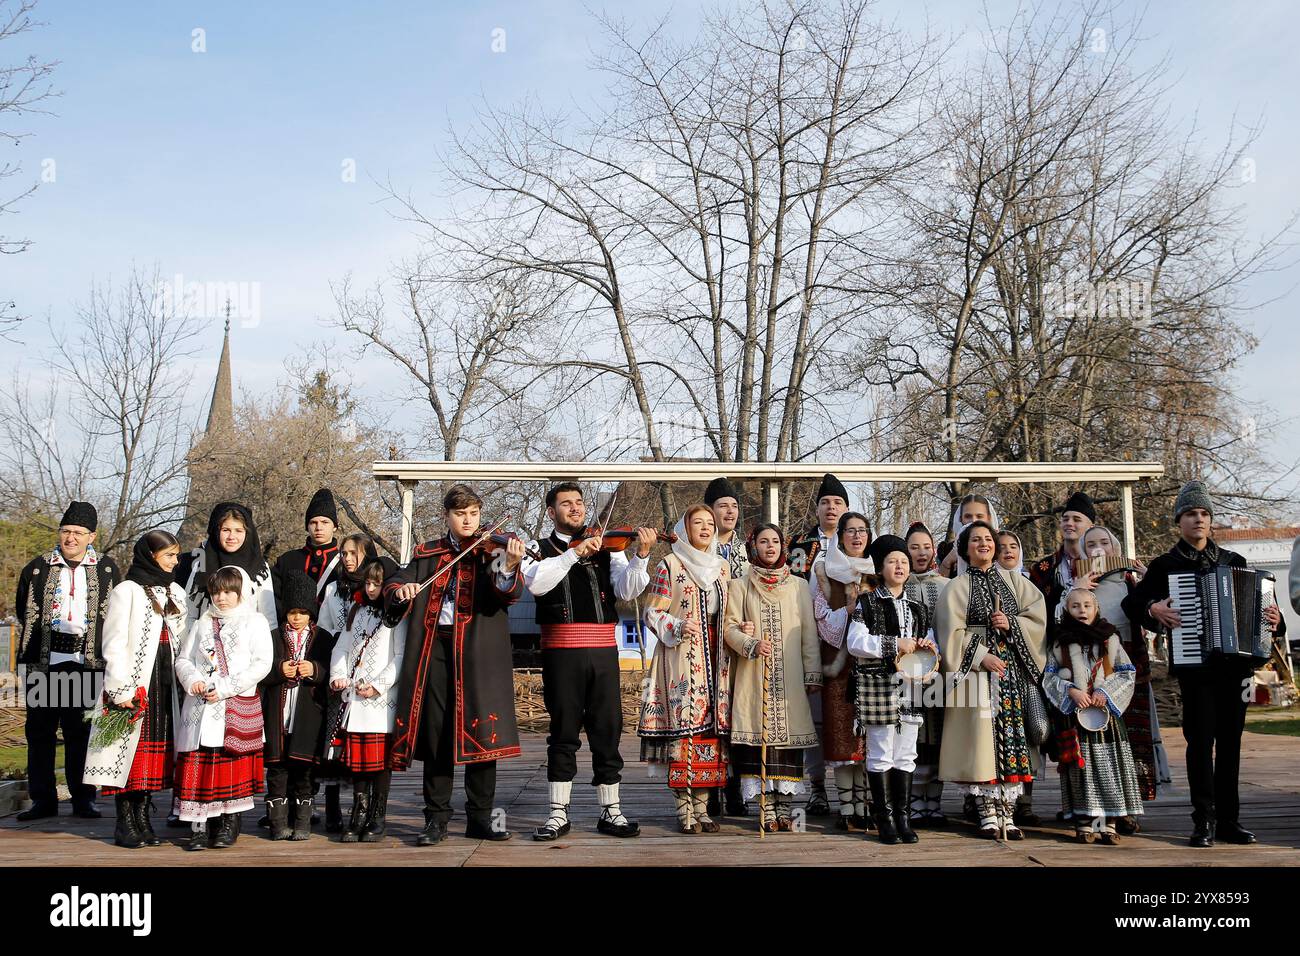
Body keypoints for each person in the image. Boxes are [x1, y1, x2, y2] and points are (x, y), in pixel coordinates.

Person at [1122, 480, 1284, 847]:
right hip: (1197, 669)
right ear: (1179, 521)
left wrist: (1276, 619)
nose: (1198, 519)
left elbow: (1267, 616)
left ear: (1211, 521)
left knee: (1230, 744)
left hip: (1236, 668)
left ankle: (1229, 821)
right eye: (1191, 513)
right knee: (1199, 744)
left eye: (1204, 514)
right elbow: (1132, 604)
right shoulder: (1166, 566)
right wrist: (1153, 608)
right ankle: (1203, 821)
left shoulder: (1235, 562)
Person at [384, 484, 525, 846]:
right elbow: (397, 579)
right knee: (437, 735)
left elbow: (505, 590)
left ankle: (482, 819)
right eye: (461, 514)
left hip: (478, 652)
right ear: (447, 516)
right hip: (435, 649)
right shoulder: (429, 552)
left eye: (474, 513)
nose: (468, 520)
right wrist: (401, 590)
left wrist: (509, 565)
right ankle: (436, 820)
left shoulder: (490, 551)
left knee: (483, 734)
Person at [522, 482, 651, 840]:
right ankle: (557, 814)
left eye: (579, 503)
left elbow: (626, 591)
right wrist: (574, 554)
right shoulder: (538, 549)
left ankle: (611, 812)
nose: (576, 509)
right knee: (563, 732)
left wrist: (640, 555)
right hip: (561, 652)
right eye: (567, 504)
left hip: (603, 652)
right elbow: (537, 584)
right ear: (552, 512)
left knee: (607, 730)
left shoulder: (607, 546)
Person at [937, 520, 1047, 839]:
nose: (983, 544)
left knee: (1012, 738)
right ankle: (986, 812)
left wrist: (1012, 622)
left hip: (1010, 672)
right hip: (974, 676)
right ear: (965, 548)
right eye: (976, 540)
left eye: (988, 539)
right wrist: (979, 655)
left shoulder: (1014, 581)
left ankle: (1008, 813)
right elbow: (949, 632)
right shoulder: (955, 588)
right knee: (980, 741)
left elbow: (1037, 616)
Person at [15, 501, 121, 821]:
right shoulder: (38, 567)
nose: (70, 538)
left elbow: (114, 616)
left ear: (92, 536)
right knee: (41, 733)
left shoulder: (106, 569)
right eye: (65, 531)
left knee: (81, 733)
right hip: (44, 663)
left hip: (86, 663)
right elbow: (25, 611)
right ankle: (43, 800)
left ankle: (83, 799)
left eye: (77, 533)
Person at [83, 531, 188, 848]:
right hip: (134, 682)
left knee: (150, 756)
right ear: (150, 555)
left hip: (165, 681)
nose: (175, 561)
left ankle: (142, 818)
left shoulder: (176, 592)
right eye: (169, 555)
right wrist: (120, 688)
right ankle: (123, 822)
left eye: (176, 555)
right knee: (126, 754)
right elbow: (113, 642)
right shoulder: (126, 591)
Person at [638, 504, 733, 833]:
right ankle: (683, 809)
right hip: (681, 657)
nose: (706, 529)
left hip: (716, 660)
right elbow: (651, 612)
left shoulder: (723, 568)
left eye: (710, 523)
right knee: (685, 734)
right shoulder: (670, 564)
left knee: (709, 735)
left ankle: (703, 809)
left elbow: (729, 612)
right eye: (698, 523)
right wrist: (677, 626)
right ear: (686, 528)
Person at [724, 523, 822, 832]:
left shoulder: (799, 586)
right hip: (754, 676)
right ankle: (765, 807)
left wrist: (812, 672)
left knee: (789, 740)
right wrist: (750, 643)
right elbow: (729, 628)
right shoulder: (740, 585)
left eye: (775, 541)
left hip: (790, 676)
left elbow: (808, 633)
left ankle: (786, 808)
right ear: (754, 546)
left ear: (783, 546)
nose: (770, 546)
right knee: (759, 738)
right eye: (764, 541)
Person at [845, 535, 938, 844]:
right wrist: (893, 644)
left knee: (907, 753)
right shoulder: (867, 603)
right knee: (882, 751)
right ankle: (883, 819)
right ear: (881, 568)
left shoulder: (918, 608)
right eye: (892, 562)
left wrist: (926, 647)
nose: (899, 566)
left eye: (903, 562)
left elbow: (931, 643)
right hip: (878, 685)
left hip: (911, 687)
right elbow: (854, 642)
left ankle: (903, 818)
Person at [173, 566, 274, 850]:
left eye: (229, 591)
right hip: (200, 707)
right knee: (199, 764)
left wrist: (228, 687)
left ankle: (228, 823)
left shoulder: (254, 622)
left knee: (229, 764)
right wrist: (192, 680)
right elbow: (184, 659)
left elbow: (262, 663)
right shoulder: (203, 622)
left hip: (234, 705)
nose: (222, 598)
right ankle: (198, 826)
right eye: (217, 592)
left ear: (241, 591)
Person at [1076, 525, 1166, 816]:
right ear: (1083, 551)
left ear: (1116, 549)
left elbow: (1151, 619)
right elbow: (1062, 624)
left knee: (1134, 736)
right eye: (1091, 545)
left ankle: (1132, 806)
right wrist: (1077, 589)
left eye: (1105, 543)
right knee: (1101, 734)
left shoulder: (1130, 580)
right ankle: (1102, 802)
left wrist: (1145, 585)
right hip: (1095, 666)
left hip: (1130, 666)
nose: (1099, 549)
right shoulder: (1077, 581)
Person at [1042, 588, 1144, 844]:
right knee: (1081, 771)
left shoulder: (1110, 639)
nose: (1082, 610)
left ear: (1096, 608)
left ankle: (1108, 822)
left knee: (1108, 767)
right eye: (1075, 606)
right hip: (1075, 717)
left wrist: (1105, 692)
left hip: (1105, 717)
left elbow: (1126, 671)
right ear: (1067, 610)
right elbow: (1049, 676)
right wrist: (1071, 691)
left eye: (1087, 605)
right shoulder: (1059, 641)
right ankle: (1085, 822)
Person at [314, 532, 389, 832]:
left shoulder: (381, 594)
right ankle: (335, 810)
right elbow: (328, 628)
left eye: (353, 553)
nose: (346, 558)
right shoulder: (334, 589)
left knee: (367, 749)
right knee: (335, 745)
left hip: (370, 680)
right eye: (343, 553)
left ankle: (372, 811)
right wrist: (334, 673)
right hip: (341, 670)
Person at [788, 473, 850, 816]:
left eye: (837, 502)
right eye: (825, 502)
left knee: (847, 716)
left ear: (846, 509)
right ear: (816, 509)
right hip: (809, 641)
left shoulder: (857, 543)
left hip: (848, 646)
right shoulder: (799, 545)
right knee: (814, 719)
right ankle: (817, 788)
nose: (831, 507)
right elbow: (791, 590)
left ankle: (853, 790)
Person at [330, 559, 404, 843]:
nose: (371, 589)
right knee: (358, 763)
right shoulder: (356, 610)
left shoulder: (397, 615)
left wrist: (378, 686)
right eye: (368, 583)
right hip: (354, 700)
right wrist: (337, 675)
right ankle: (358, 812)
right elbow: (342, 647)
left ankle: (377, 814)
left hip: (380, 702)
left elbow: (400, 656)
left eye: (377, 584)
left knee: (379, 763)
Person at [808, 512, 874, 831]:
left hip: (874, 667)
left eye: (862, 531)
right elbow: (820, 618)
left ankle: (865, 804)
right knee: (842, 737)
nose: (857, 537)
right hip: (839, 665)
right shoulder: (824, 570)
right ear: (840, 536)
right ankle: (846, 805)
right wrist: (847, 610)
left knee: (868, 738)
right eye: (851, 531)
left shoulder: (879, 571)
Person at [260, 570, 330, 841]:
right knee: (278, 768)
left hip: (306, 714)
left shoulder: (322, 638)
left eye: (302, 612)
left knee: (303, 768)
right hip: (278, 712)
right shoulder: (273, 636)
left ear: (311, 612)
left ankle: (302, 823)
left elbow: (328, 670)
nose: (297, 617)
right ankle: (278, 824)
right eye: (292, 612)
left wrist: (313, 668)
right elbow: (261, 670)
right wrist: (280, 669)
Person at [706, 475, 751, 817]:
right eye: (723, 505)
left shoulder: (744, 548)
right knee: (709, 714)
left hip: (736, 639)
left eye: (734, 506)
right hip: (706, 641)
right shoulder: (695, 548)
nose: (730, 511)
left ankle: (735, 790)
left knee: (734, 713)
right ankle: (709, 789)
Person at [903, 521, 950, 826]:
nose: (921, 553)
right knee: (915, 735)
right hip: (906, 673)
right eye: (914, 547)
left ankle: (935, 801)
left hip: (941, 672)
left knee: (938, 735)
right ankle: (915, 802)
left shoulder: (947, 585)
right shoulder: (900, 584)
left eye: (926, 546)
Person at [177, 501, 277, 626]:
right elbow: (189, 611)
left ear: (247, 533)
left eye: (238, 531)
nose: (231, 536)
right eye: (226, 530)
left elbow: (269, 616)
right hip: (207, 638)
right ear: (216, 531)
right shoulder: (202, 562)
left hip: (247, 640)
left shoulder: (259, 567)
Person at [271, 487, 341, 624]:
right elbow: (273, 600)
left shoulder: (344, 563)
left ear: (335, 526)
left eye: (325, 522)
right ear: (307, 526)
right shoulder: (287, 560)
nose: (319, 527)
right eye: (313, 522)